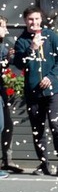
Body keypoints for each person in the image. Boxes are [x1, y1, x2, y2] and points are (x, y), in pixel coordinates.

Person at [12, 5, 58, 177]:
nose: (34, 22)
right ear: (25, 21)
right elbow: (20, 64)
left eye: (36, 19)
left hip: (53, 90)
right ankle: (44, 163)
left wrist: (51, 76)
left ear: (41, 19)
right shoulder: (21, 41)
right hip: (33, 92)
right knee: (38, 128)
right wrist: (32, 49)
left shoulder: (50, 36)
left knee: (55, 124)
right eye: (30, 19)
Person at [0, 15, 21, 175]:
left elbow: (15, 62)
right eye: (3, 26)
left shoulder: (2, 47)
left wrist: (8, 59)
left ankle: (5, 161)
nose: (6, 31)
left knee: (5, 125)